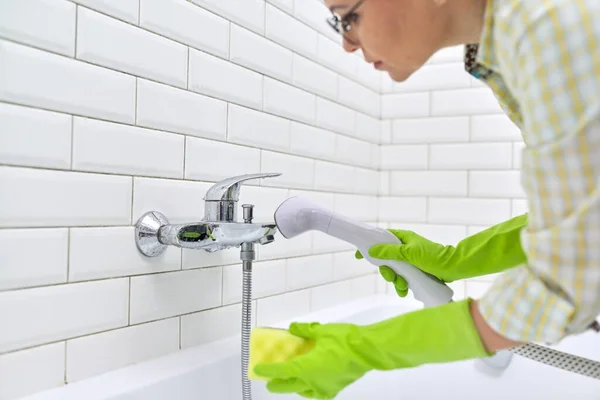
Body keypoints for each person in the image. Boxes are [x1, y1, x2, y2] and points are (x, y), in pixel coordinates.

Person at [253, 0, 600, 398]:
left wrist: (368, 349)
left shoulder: (549, 27)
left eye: (349, 16)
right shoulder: (514, 44)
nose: (348, 43)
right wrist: (458, 260)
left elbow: (566, 281)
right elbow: (586, 217)